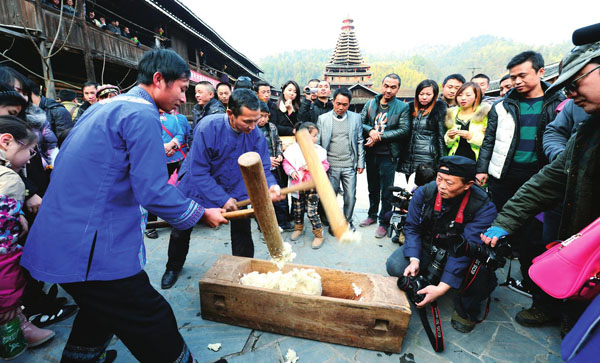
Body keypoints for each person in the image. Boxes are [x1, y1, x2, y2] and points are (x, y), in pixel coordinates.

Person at [21, 49, 227, 363]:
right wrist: (200, 213)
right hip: (90, 243)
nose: (184, 97)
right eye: (182, 88)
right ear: (159, 80)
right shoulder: (141, 114)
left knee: (100, 310)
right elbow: (154, 190)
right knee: (148, 314)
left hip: (66, 232)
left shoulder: (104, 107)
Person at [482, 41, 600, 336]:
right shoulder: (588, 128)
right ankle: (559, 314)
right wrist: (505, 221)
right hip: (520, 183)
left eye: (576, 83)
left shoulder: (555, 103)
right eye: (567, 88)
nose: (571, 95)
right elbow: (551, 178)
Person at [476, 50, 566, 329]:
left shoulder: (559, 103)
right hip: (506, 178)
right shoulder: (502, 106)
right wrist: (482, 168)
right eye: (512, 76)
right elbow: (490, 140)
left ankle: (543, 302)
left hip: (543, 180)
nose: (516, 81)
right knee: (509, 235)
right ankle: (498, 283)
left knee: (539, 241)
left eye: (522, 75)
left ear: (540, 72)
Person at [161, 89, 283, 289]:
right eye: (247, 122)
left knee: (243, 231)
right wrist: (222, 199)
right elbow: (198, 171)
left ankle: (245, 273)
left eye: (256, 120)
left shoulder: (256, 135)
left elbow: (263, 169)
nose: (253, 127)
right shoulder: (207, 127)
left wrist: (272, 186)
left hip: (237, 185)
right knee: (181, 228)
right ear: (230, 114)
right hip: (199, 185)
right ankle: (173, 266)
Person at [386, 156, 497, 333]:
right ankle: (428, 276)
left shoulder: (483, 206)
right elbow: (412, 228)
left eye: (449, 183)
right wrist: (414, 259)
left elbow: (466, 247)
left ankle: (464, 306)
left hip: (462, 252)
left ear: (467, 185)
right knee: (396, 265)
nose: (442, 186)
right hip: (431, 244)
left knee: (480, 274)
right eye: (439, 179)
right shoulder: (425, 192)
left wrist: (442, 287)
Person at [0, 115, 56, 353]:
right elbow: (3, 253)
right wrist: (9, 299)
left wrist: (17, 213)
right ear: (6, 141)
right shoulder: (10, 181)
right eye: (31, 151)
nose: (31, 159)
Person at [359, 74, 410, 238]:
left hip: (388, 154)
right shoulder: (370, 103)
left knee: (386, 190)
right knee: (372, 187)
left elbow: (404, 130)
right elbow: (360, 122)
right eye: (386, 86)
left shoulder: (402, 107)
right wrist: (371, 131)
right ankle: (372, 215)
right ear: (381, 85)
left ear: (398, 89)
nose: (388, 90)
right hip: (371, 153)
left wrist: (380, 136)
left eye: (393, 87)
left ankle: (384, 221)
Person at [317, 87, 364, 231]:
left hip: (349, 164)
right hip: (331, 165)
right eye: (338, 103)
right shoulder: (323, 119)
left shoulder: (356, 118)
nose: (340, 107)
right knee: (330, 196)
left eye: (344, 104)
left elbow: (359, 140)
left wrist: (360, 162)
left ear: (349, 104)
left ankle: (347, 221)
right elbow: (318, 144)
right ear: (333, 101)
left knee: (350, 195)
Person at [284, 122, 329, 249]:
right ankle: (298, 228)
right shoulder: (292, 150)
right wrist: (291, 172)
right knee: (297, 210)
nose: (316, 138)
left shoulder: (319, 151)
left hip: (313, 187)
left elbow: (326, 165)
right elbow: (286, 164)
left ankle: (319, 234)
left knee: (311, 211)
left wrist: (313, 167)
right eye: (314, 136)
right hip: (297, 186)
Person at [398, 79, 447, 183]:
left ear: (435, 95)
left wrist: (443, 162)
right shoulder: (410, 108)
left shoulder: (438, 109)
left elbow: (440, 137)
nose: (424, 97)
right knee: (408, 192)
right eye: (421, 94)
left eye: (428, 94)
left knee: (425, 192)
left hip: (427, 159)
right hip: (407, 158)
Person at [257, 101, 292, 231]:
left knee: (280, 195)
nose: (264, 119)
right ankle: (264, 227)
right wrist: (266, 160)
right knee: (263, 200)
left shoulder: (271, 127)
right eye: (261, 115)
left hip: (275, 168)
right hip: (260, 169)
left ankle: (283, 223)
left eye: (266, 116)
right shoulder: (250, 129)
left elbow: (277, 142)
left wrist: (279, 154)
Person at [444, 82, 491, 160]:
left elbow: (488, 142)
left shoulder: (485, 114)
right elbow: (448, 144)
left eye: (468, 95)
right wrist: (450, 137)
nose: (463, 98)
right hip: (454, 159)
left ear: (476, 97)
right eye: (460, 95)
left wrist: (471, 137)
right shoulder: (451, 113)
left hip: (476, 160)